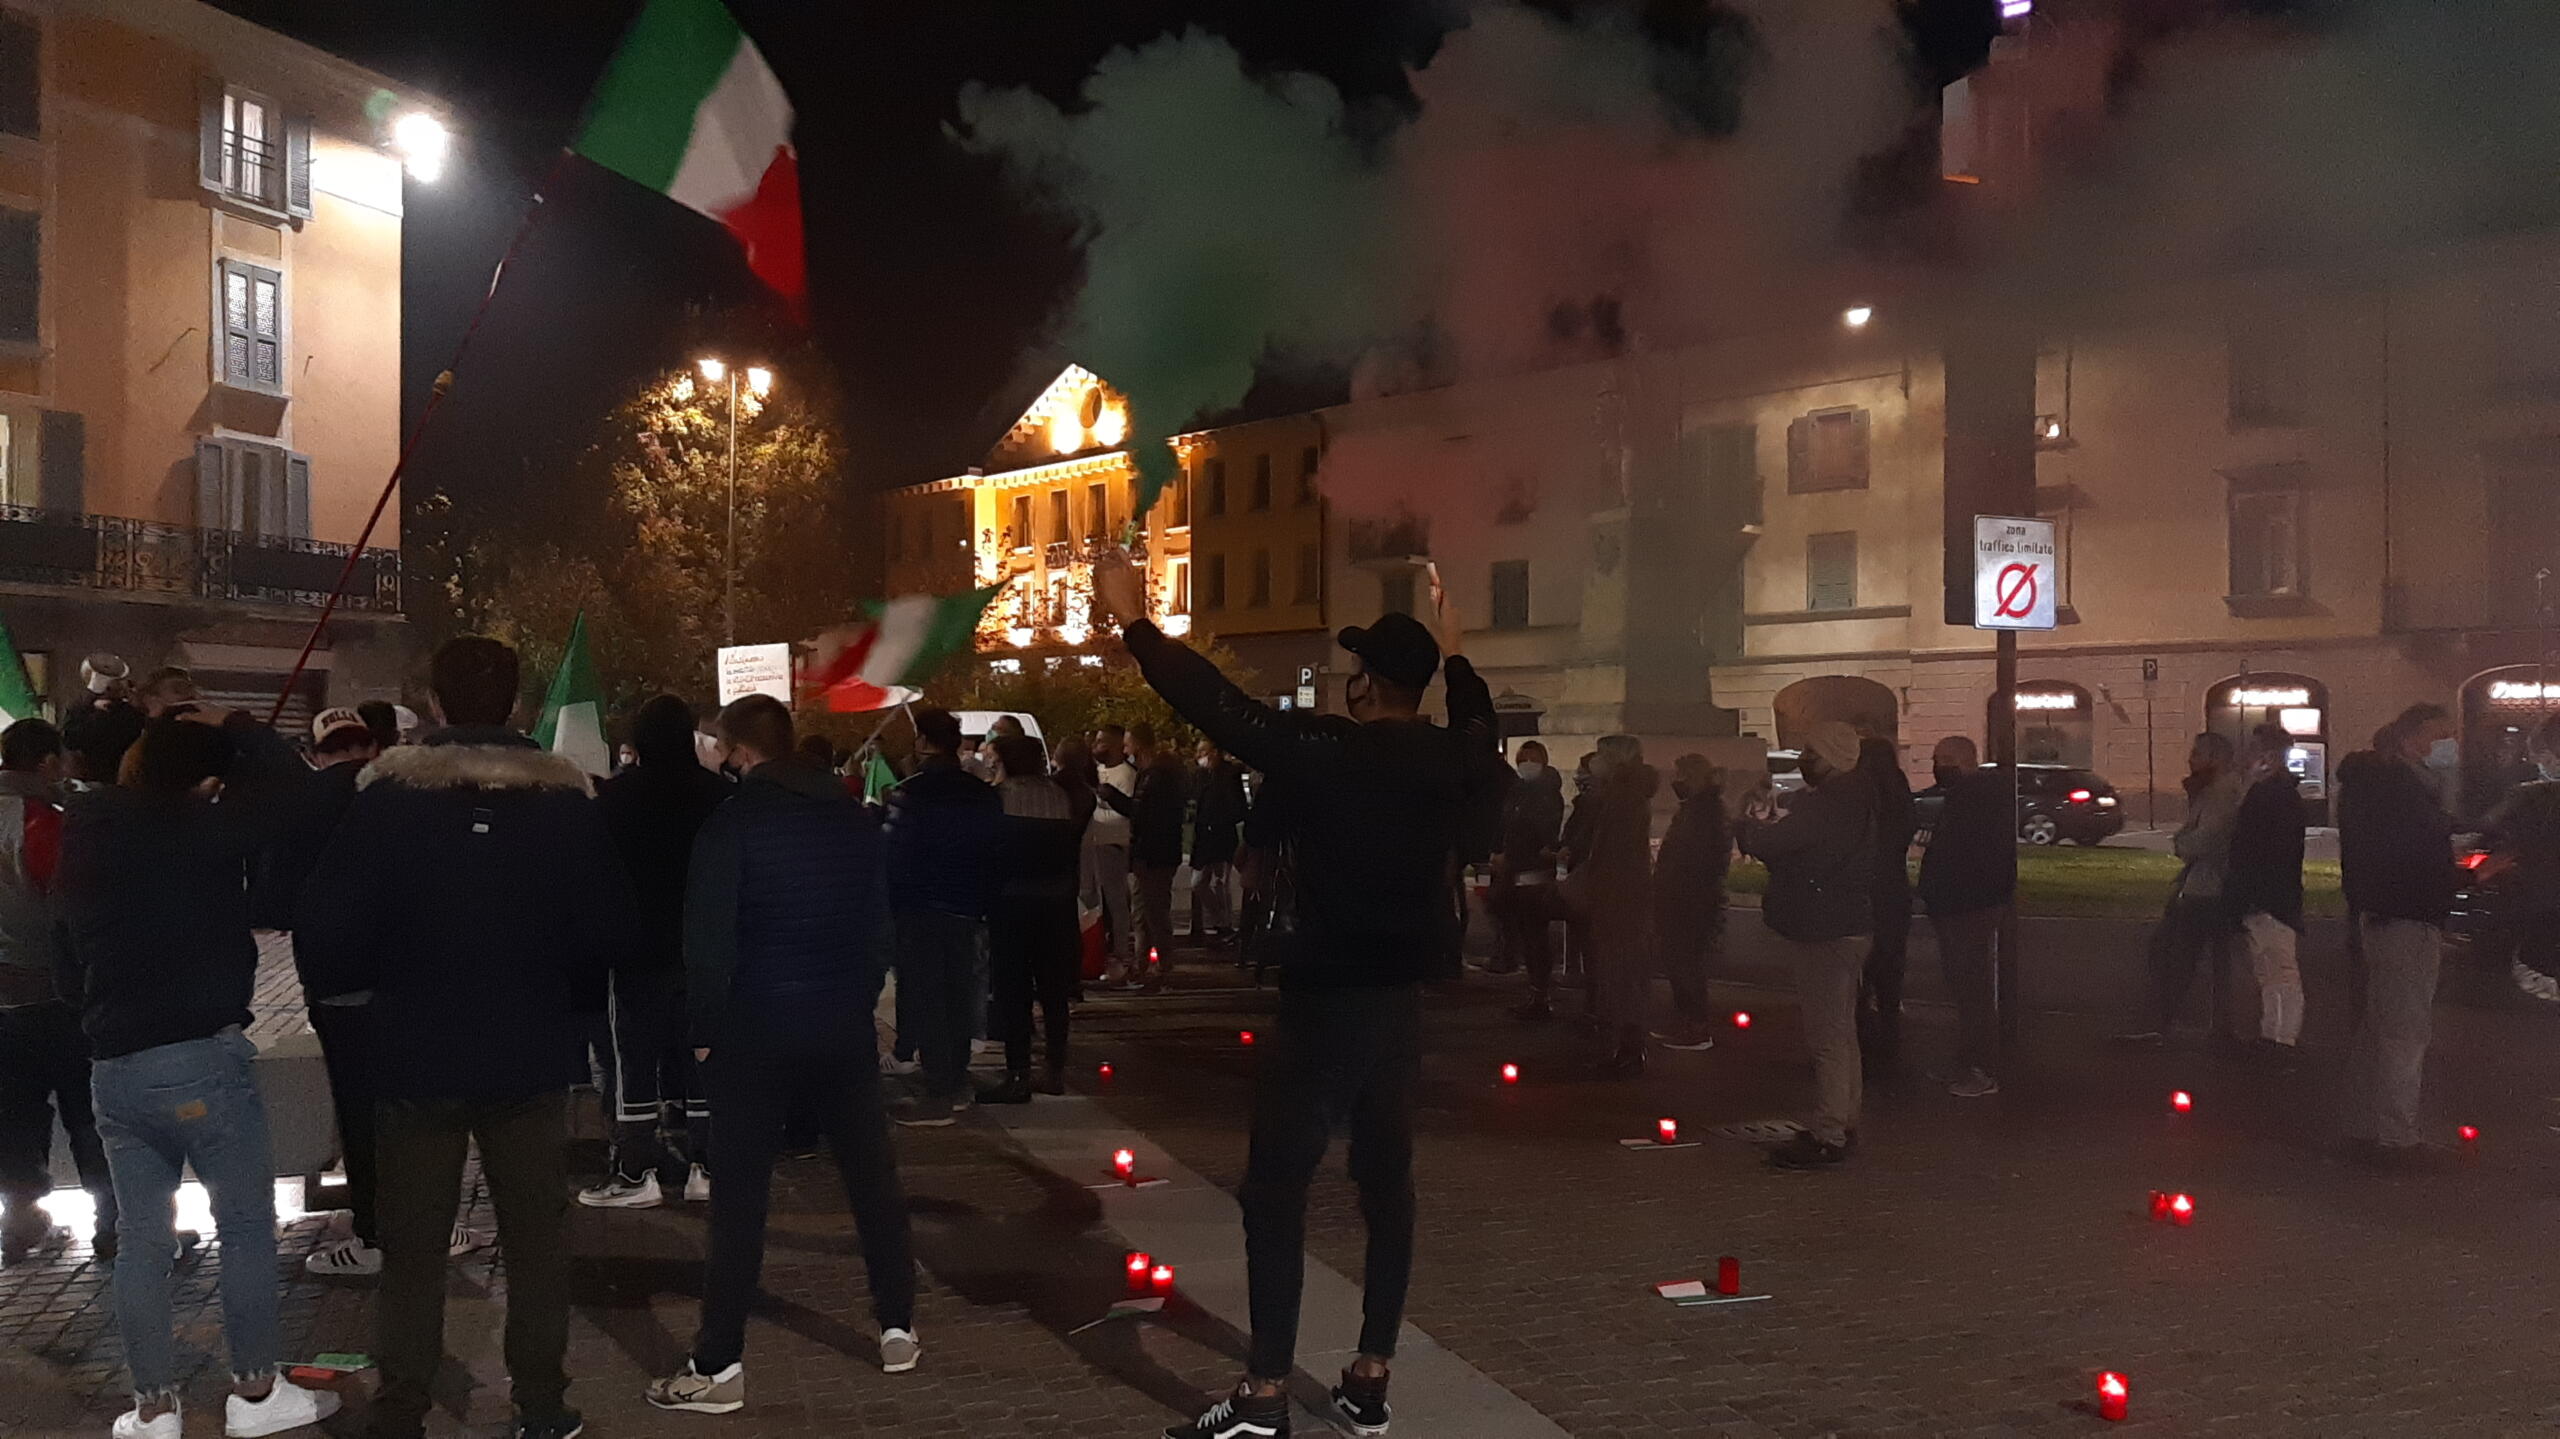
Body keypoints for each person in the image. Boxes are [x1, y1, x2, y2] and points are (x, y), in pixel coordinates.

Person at [1091, 549, 1502, 1439]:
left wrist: (1135, 623)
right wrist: (1459, 653)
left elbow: (1216, 704)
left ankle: (1265, 1390)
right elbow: (1478, 723)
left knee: (1275, 1188)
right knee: (1386, 1184)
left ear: (1365, 684)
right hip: (1400, 999)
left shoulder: (1328, 752)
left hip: (1325, 996)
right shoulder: (1453, 759)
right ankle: (1369, 1376)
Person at [295, 636, 637, 1439]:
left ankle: (403, 1405)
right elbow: (611, 926)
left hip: (415, 1049)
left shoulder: (389, 799)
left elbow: (327, 925)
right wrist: (566, 996)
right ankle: (541, 1404)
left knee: (413, 1243)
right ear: (515, 705)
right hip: (528, 1050)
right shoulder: (563, 804)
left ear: (436, 703)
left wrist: (370, 995)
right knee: (536, 1240)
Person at [58, 706, 341, 1439]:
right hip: (200, 1058)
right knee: (243, 1227)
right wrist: (240, 726)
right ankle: (256, 1392)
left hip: (115, 1067)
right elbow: (296, 791)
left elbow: (64, 961)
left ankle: (152, 1408)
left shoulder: (83, 832)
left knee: (142, 1239)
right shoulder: (199, 830)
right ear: (201, 782)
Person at [643, 695, 919, 1414]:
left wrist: (706, 1028)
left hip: (754, 1026)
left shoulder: (732, 824)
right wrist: (857, 996)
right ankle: (897, 1324)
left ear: (740, 752)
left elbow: (709, 941)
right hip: (839, 1021)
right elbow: (878, 927)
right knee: (871, 1177)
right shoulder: (852, 819)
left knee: (740, 1198)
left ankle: (720, 1362)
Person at [248, 707, 398, 1278]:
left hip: (337, 980)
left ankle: (374, 1233)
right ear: (370, 746)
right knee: (416, 1104)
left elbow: (271, 904)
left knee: (358, 1108)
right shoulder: (401, 795)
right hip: (408, 978)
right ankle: (430, 1221)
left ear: (316, 752)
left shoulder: (297, 802)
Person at [582, 694, 733, 1210]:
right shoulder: (720, 797)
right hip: (705, 950)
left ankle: (635, 1168)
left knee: (633, 1061)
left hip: (635, 953)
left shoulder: (613, 800)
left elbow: (597, 877)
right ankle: (708, 1164)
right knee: (705, 1056)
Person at [1735, 720, 1876, 1171]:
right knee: (1841, 1032)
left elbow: (1775, 842)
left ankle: (1829, 1132)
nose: (1803, 762)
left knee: (1827, 1036)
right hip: (1849, 922)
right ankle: (1843, 1121)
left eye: (1810, 754)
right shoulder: (1858, 797)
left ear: (1831, 757)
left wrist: (1746, 826)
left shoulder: (1828, 804)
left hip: (1824, 928)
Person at [0, 718, 115, 1265]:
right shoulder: (41, 819)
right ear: (48, 762)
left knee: (14, 1115)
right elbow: (71, 902)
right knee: (88, 1114)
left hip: (3, 1002)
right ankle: (113, 1224)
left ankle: (20, 1221)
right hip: (55, 993)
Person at [2336, 703, 2459, 1173]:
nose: (2446, 746)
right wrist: (2460, 873)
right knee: (2404, 1029)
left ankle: (2366, 1125)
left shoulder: (2376, 785)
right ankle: (2396, 1136)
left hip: (2387, 914)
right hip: (2406, 916)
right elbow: (2415, 853)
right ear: (2411, 739)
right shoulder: (2397, 789)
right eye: (2439, 735)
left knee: (2380, 1024)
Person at [881, 706, 1001, 1127]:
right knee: (960, 993)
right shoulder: (982, 795)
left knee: (927, 995)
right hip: (968, 905)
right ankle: (957, 1077)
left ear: (923, 743)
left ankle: (939, 1089)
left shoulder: (911, 794)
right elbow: (995, 851)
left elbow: (892, 855)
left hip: (920, 908)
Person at [2119, 733, 2246, 1047]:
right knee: (2198, 957)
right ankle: (2209, 1025)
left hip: (2208, 889)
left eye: (2197, 753)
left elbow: (2204, 839)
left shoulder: (2220, 794)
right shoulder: (2214, 791)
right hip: (2208, 886)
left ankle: (2165, 1022)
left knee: (2174, 954)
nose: (2190, 759)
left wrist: (2183, 844)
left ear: (2215, 758)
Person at [983, 734, 1089, 1102]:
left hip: (1013, 904)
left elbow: (992, 854)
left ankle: (1018, 1073)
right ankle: (1054, 1069)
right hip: (1056, 903)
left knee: (1014, 991)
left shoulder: (1000, 798)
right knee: (1053, 991)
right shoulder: (1057, 796)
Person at [1915, 736, 2015, 1098]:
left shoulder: (1974, 798)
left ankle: (1980, 1068)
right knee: (1965, 987)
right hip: (1962, 902)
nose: (1938, 765)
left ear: (1965, 760)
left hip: (1966, 904)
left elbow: (1964, 853)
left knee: (1971, 987)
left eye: (1944, 758)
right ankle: (1968, 1061)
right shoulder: (1971, 795)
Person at [1575, 734, 1658, 1077]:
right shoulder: (1622, 796)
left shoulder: (1624, 799)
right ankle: (1626, 1046)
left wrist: (1595, 886)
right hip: (1621, 898)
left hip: (1620, 900)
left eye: (1601, 755)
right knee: (1620, 975)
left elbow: (1615, 855)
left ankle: (1629, 1049)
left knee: (1622, 976)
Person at [2226, 722, 2308, 1063]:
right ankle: (2273, 1034)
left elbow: (2259, 850)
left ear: (2270, 757)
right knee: (2270, 970)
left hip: (2269, 899)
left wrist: (2251, 895)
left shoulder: (2272, 796)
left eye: (2254, 750)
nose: (2246, 756)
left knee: (2278, 970)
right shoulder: (2275, 794)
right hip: (2269, 897)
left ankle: (2280, 1038)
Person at [1649, 753, 1729, 1053]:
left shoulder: (1704, 812)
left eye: (1681, 775)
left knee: (1686, 964)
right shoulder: (1695, 809)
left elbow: (1697, 860)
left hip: (1690, 901)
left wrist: (1673, 886)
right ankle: (1686, 1022)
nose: (1676, 781)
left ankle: (1696, 1028)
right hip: (1682, 898)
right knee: (1679, 963)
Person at [1855, 736, 1917, 1067]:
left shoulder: (1861, 794)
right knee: (1890, 970)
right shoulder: (1899, 791)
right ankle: (1890, 1042)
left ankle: (1864, 1049)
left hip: (1865, 889)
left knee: (1859, 975)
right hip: (1894, 889)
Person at [1496, 742, 1565, 1014]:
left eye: (1532, 759)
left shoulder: (1546, 793)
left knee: (1535, 933)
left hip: (1534, 869)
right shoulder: (1518, 791)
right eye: (1523, 759)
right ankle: (1535, 990)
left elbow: (1539, 830)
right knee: (1526, 931)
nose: (1527, 764)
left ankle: (1540, 992)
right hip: (1516, 867)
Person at [1127, 722, 1189, 989]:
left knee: (1153, 911)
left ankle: (1161, 964)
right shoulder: (1155, 774)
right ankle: (1143, 963)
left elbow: (1144, 814)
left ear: (1139, 744)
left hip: (1154, 855)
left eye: (1128, 743)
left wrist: (1115, 798)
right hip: (1152, 854)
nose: (1126, 750)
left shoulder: (1156, 776)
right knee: (1143, 912)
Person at [1085, 724, 1139, 986]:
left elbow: (1126, 811)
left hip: (1113, 843)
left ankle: (1120, 952)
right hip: (1094, 843)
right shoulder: (1096, 772)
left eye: (1102, 742)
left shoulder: (1126, 775)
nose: (1097, 747)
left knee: (1116, 899)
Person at [1191, 740, 1248, 948]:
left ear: (1214, 752)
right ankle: (1219, 916)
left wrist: (1221, 819)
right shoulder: (1202, 775)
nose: (1199, 756)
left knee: (1220, 881)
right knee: (1198, 882)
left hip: (1221, 835)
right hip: (1204, 836)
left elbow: (1237, 806)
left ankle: (1224, 924)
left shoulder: (1229, 774)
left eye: (1203, 751)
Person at [61, 653, 143, 788]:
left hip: (122, 779)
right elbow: (70, 739)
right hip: (94, 778)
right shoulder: (84, 709)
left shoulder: (129, 712)